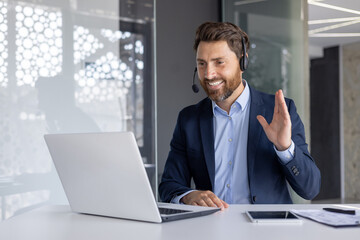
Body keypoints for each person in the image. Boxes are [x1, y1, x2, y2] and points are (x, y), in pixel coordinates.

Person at [159, 22, 321, 210]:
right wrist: (188, 196)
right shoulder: (189, 120)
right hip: (211, 229)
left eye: (219, 62)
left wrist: (284, 148)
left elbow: (310, 189)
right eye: (202, 64)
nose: (209, 74)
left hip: (268, 231)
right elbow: (169, 185)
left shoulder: (278, 111)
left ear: (243, 62)